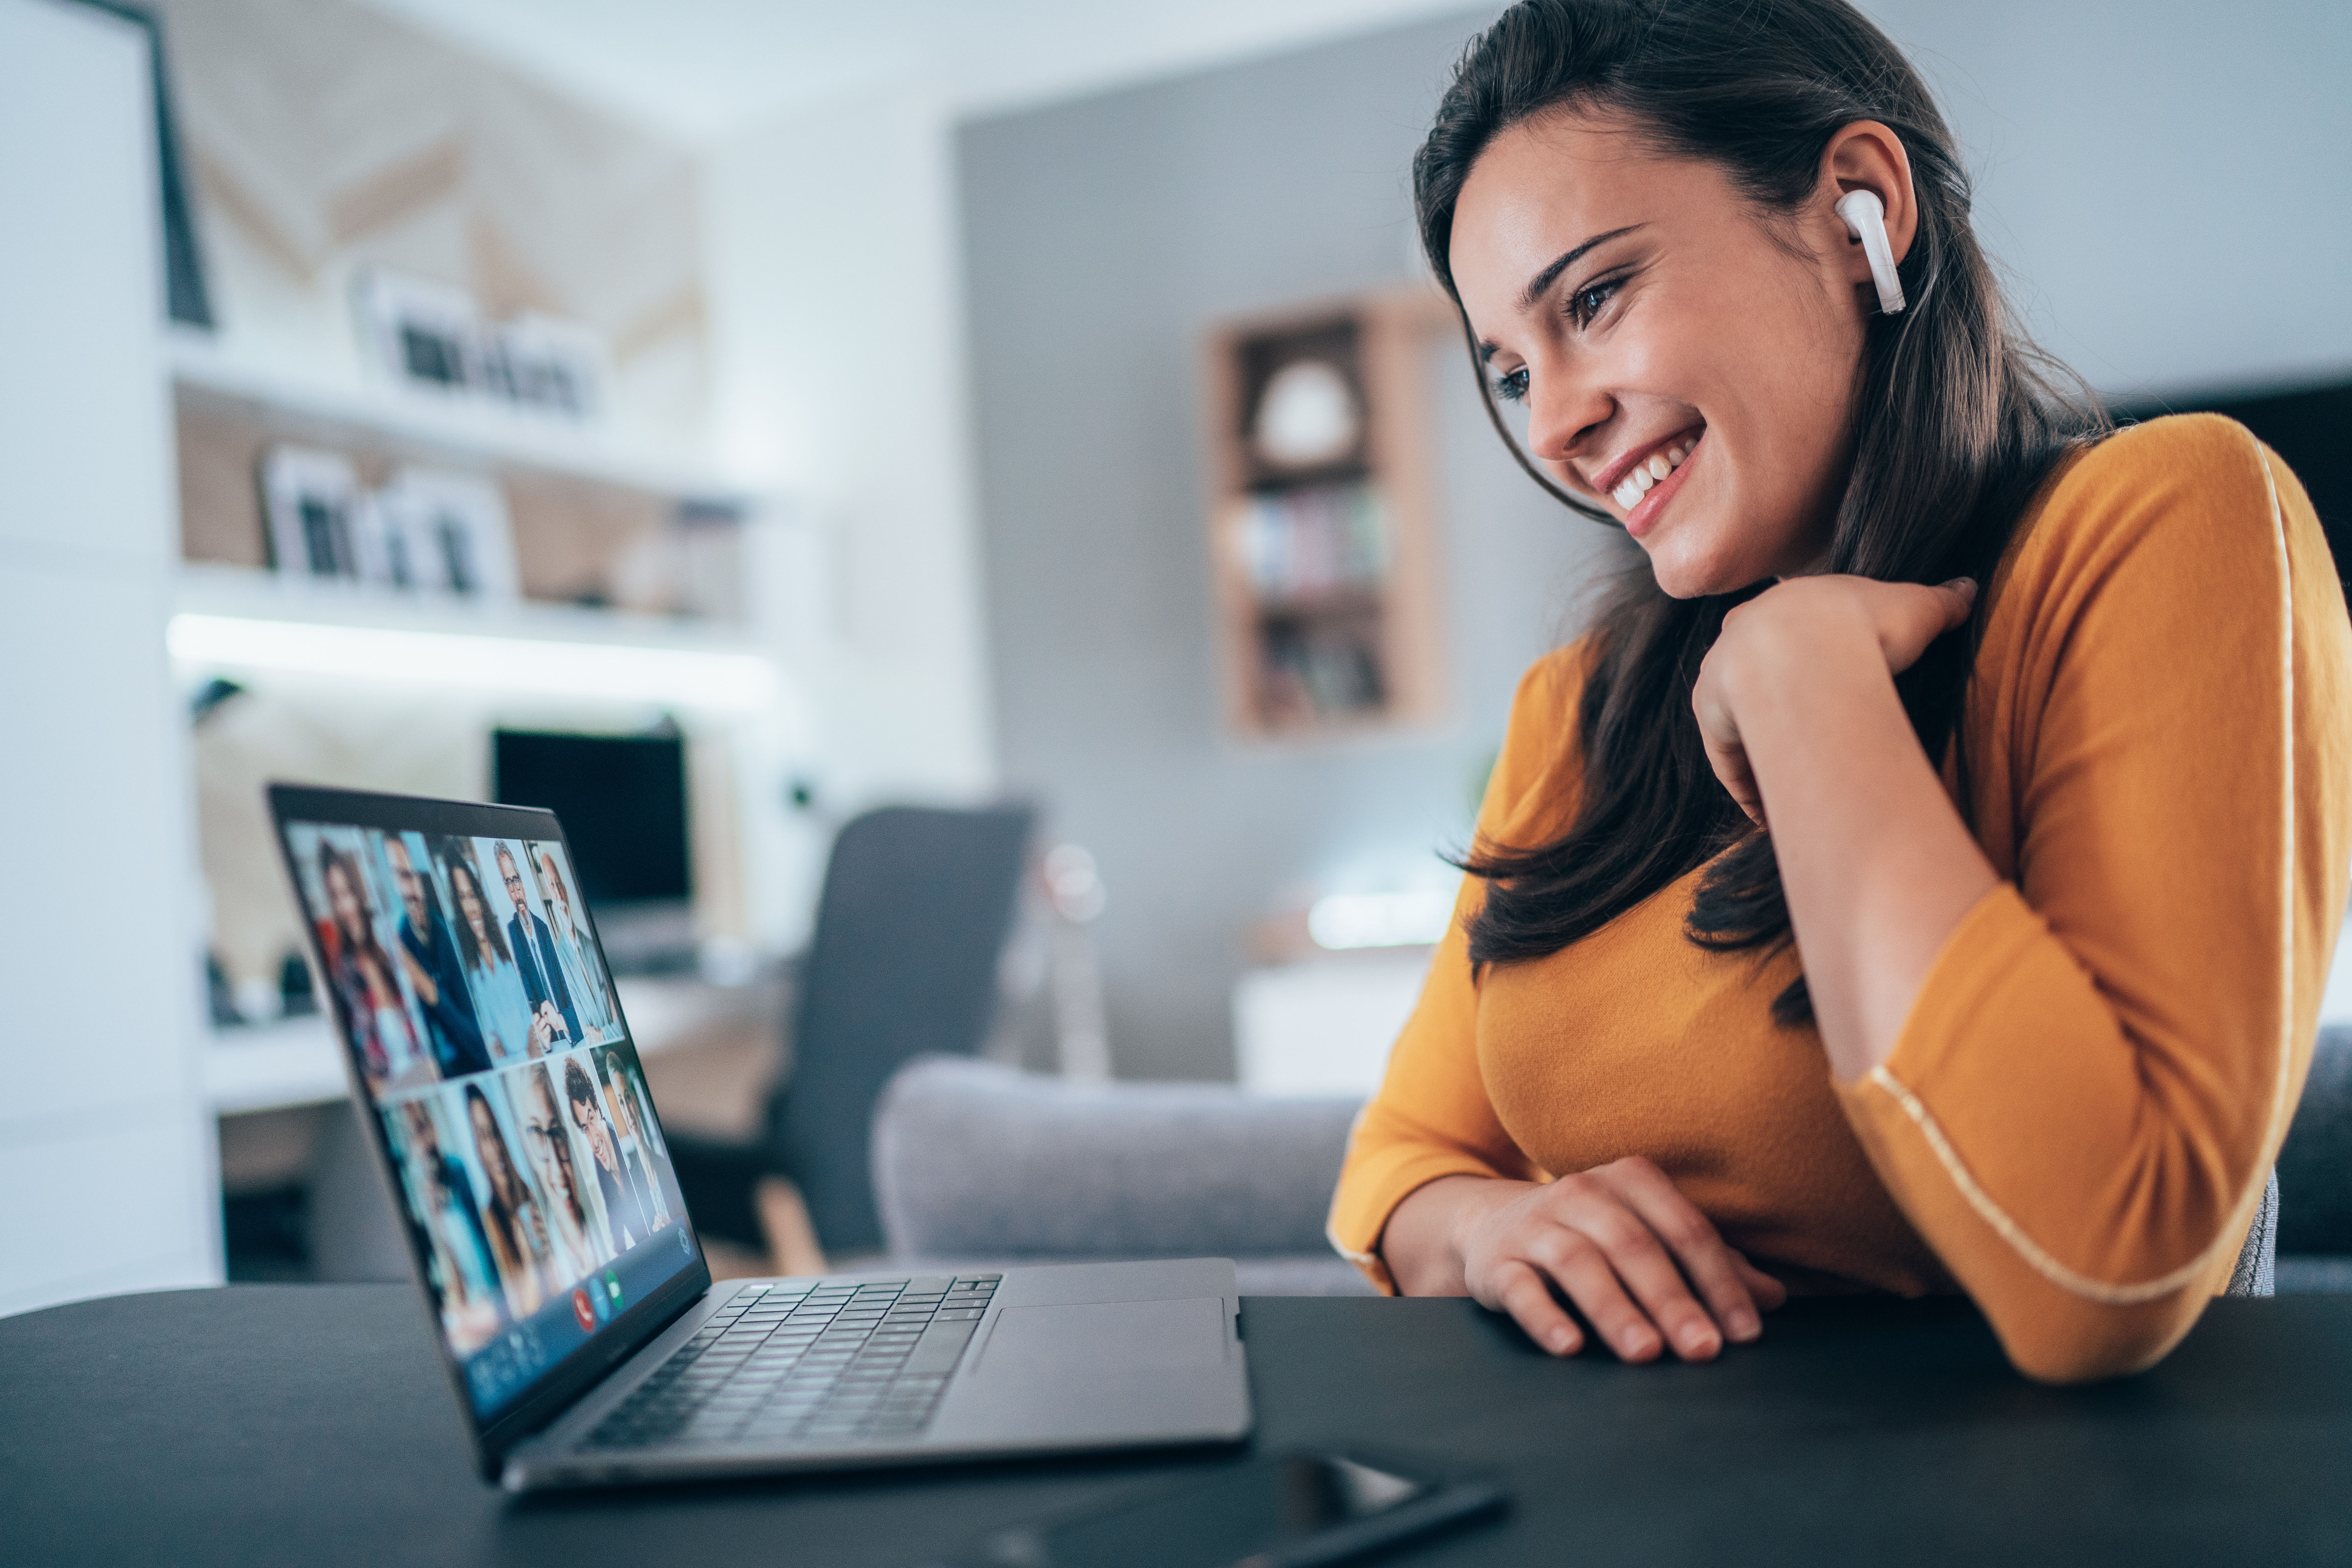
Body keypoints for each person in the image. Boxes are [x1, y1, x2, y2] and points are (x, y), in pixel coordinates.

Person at [1330, 0, 2350, 1385]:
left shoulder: (2161, 525)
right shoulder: (1579, 707)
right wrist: (1493, 1226)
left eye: (1595, 299)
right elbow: (1399, 1166)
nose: (1555, 421)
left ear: (1856, 205)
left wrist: (1805, 689)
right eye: (1512, 371)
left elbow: (2106, 1268)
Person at [316, 842, 432, 1093]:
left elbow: (433, 1001)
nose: (346, 907)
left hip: (431, 1081)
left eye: (349, 892)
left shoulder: (391, 947)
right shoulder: (342, 977)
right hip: (398, 1097)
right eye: (336, 897)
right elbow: (366, 1076)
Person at [394, 1098, 505, 1354]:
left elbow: (483, 1230)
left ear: (433, 1126)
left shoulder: (457, 1169)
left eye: (423, 1128)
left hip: (492, 1285)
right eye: (414, 1135)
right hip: (468, 1300)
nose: (422, 1142)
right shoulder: (421, 1195)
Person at [383, 834, 491, 1078]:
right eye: (398, 877)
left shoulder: (447, 935)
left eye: (410, 876)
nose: (406, 890)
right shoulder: (403, 940)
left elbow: (480, 1046)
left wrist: (430, 991)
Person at [443, 851, 553, 1062]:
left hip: (537, 1055)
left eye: (473, 895)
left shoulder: (508, 942)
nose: (472, 909)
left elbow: (532, 1006)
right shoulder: (465, 967)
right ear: (458, 907)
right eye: (463, 899)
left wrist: (534, 1039)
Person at [463, 1082, 557, 1318]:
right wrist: (530, 1263)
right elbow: (520, 1314)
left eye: (495, 1132)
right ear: (478, 1149)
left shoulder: (535, 1195)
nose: (495, 1147)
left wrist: (554, 1244)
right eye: (485, 1137)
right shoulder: (488, 1223)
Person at [521, 1061, 610, 1274]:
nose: (558, 1170)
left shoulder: (608, 1213)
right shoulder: (543, 1265)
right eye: (538, 1135)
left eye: (557, 1133)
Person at [529, 846, 617, 1044]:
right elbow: (581, 1027)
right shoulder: (558, 957)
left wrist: (605, 1034)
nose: (559, 894)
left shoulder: (592, 946)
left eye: (559, 884)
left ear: (565, 888)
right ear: (549, 894)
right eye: (552, 886)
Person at [497, 842, 579, 1049]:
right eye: (508, 883)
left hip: (570, 1038)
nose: (516, 890)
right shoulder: (510, 937)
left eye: (516, 880)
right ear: (505, 889)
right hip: (544, 1045)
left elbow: (568, 985)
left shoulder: (545, 929)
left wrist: (566, 1021)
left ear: (523, 882)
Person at [565, 1056, 648, 1252]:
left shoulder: (620, 1143)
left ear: (598, 1110)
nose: (594, 1142)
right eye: (585, 1129)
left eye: (592, 1119)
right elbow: (611, 1208)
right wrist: (618, 1248)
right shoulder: (599, 1163)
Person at [598, 1047, 669, 1230]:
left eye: (628, 1098)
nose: (629, 1113)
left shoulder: (666, 1167)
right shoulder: (631, 1187)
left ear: (636, 1100)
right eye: (621, 1103)